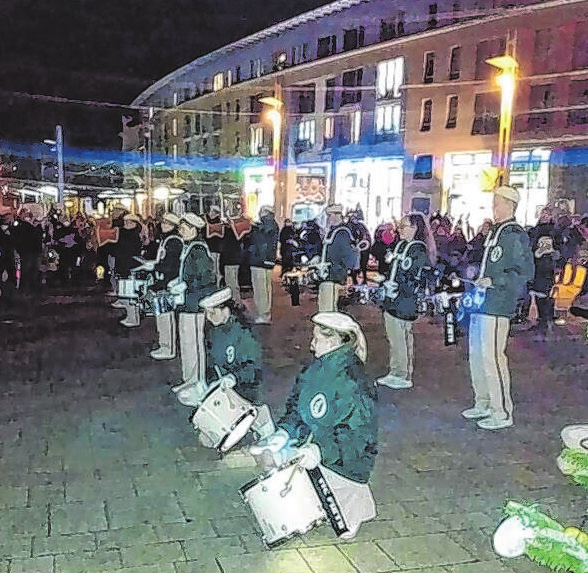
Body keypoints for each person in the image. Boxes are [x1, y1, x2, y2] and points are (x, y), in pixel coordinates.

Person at [249, 311, 378, 540]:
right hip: (313, 444)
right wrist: (284, 431)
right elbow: (297, 407)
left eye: (316, 338)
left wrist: (320, 450)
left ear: (333, 341)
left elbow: (358, 437)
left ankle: (353, 506)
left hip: (343, 459)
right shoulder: (315, 369)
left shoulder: (355, 380)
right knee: (269, 458)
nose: (311, 344)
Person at [462, 185, 534, 430]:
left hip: (497, 304)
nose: (493, 206)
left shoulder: (514, 234)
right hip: (482, 302)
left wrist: (494, 281)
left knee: (493, 357)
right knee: (477, 356)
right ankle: (483, 402)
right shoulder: (496, 231)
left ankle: (501, 411)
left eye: (497, 202)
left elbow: (525, 271)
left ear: (508, 204)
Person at [376, 213, 434, 389]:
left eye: (404, 226)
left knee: (400, 336)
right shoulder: (401, 245)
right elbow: (393, 268)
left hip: (404, 300)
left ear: (415, 228)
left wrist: (398, 288)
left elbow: (415, 277)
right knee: (395, 336)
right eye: (400, 226)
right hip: (393, 298)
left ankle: (402, 374)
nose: (400, 230)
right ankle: (396, 370)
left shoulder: (418, 249)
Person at [169, 213, 217, 389]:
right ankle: (188, 379)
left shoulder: (198, 249)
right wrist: (180, 282)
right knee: (187, 342)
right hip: (186, 302)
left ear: (194, 229)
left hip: (194, 302)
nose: (181, 231)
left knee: (194, 343)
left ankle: (197, 382)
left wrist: (186, 286)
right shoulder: (189, 246)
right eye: (180, 228)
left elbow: (206, 277)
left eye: (184, 228)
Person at [143, 212, 184, 360]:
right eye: (164, 222)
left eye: (168, 223)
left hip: (167, 283)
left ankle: (168, 348)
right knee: (162, 315)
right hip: (164, 281)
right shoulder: (167, 239)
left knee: (166, 316)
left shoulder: (173, 241)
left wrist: (155, 268)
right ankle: (165, 344)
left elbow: (170, 265)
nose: (164, 225)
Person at [317, 205, 356, 312]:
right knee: (325, 305)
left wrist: (342, 272)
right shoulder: (333, 231)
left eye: (329, 216)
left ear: (335, 215)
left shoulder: (342, 233)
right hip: (327, 275)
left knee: (328, 308)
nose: (328, 218)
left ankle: (327, 329)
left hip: (334, 276)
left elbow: (349, 256)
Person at [247, 206, 279, 324]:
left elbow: (258, 239)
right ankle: (266, 313)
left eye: (261, 211)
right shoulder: (274, 224)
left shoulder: (265, 225)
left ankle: (263, 314)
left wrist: (253, 226)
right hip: (267, 261)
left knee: (260, 289)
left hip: (259, 260)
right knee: (266, 289)